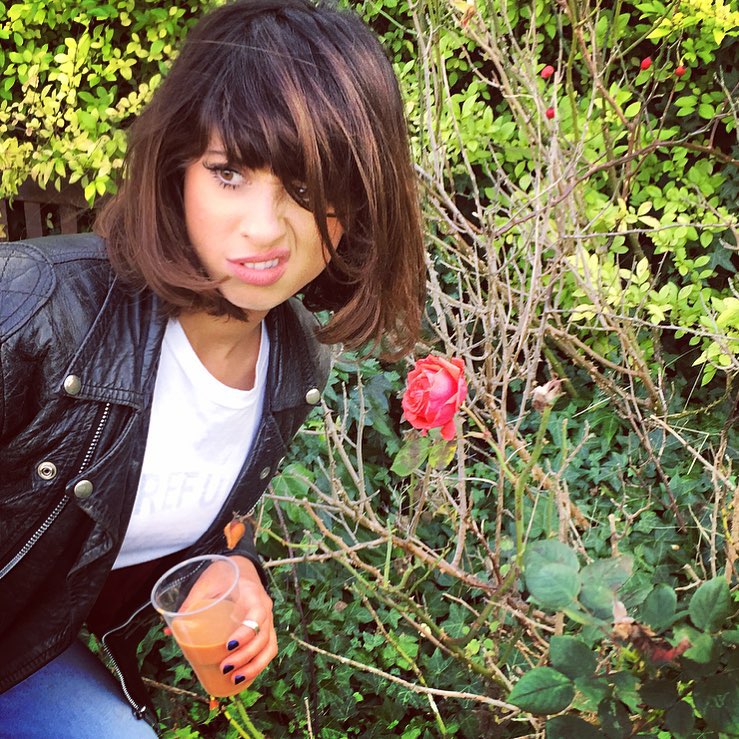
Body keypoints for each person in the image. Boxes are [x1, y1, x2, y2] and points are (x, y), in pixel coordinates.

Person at [0, 0, 425, 735]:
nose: (264, 228)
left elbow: (146, 512)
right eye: (229, 173)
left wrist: (228, 568)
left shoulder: (291, 367)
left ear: (357, 202)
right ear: (177, 171)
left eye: (306, 189)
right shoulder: (36, 307)